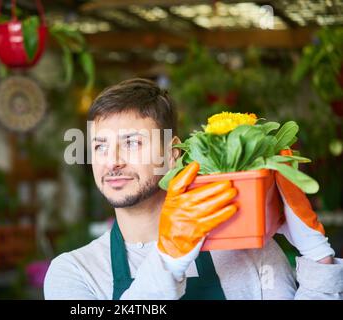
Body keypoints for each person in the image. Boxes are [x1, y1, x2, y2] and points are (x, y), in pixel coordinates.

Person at [44, 78, 342, 300]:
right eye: (100, 146)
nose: (113, 162)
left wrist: (318, 257)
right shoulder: (75, 271)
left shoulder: (248, 251)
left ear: (171, 154)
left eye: (132, 143)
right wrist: (168, 260)